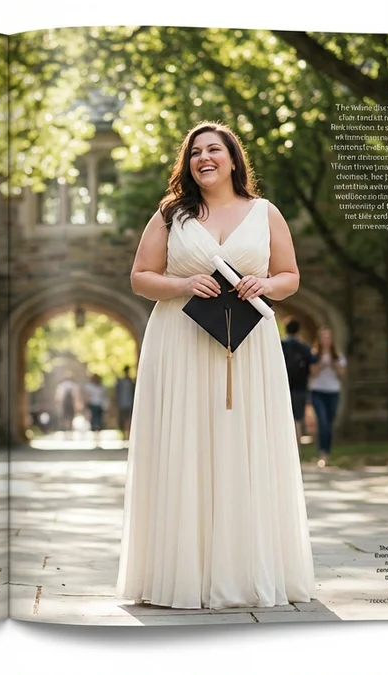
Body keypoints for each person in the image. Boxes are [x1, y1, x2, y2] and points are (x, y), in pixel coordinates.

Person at [116, 121, 315, 610]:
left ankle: (247, 572)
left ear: (232, 158)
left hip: (248, 349)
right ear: (187, 164)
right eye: (195, 152)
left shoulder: (265, 212)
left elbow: (290, 276)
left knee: (243, 445)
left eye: (214, 150)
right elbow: (141, 277)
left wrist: (265, 286)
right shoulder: (170, 214)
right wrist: (184, 284)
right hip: (179, 342)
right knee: (187, 444)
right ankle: (182, 572)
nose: (204, 158)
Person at [309, 327, 347, 468]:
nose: (326, 340)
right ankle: (322, 453)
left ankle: (328, 452)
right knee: (322, 421)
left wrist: (333, 363)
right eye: (323, 337)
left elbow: (341, 374)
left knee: (329, 424)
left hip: (333, 391)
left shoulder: (338, 355)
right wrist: (320, 364)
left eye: (328, 337)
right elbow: (312, 373)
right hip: (318, 391)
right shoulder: (314, 354)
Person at [281, 318, 315, 445]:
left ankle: (285, 447)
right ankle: (297, 448)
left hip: (283, 386)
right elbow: (312, 368)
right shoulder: (304, 348)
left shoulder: (281, 345)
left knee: (284, 418)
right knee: (297, 419)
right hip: (300, 387)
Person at [82, 373, 107, 448]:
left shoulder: (102, 388)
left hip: (100, 406)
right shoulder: (88, 387)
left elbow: (105, 397)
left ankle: (98, 439)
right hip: (92, 406)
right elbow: (85, 397)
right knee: (94, 422)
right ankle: (95, 439)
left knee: (99, 422)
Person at [115, 366, 135, 440]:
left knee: (129, 419)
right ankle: (124, 434)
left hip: (129, 403)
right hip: (122, 403)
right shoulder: (120, 382)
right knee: (122, 419)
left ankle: (128, 434)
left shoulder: (131, 382)